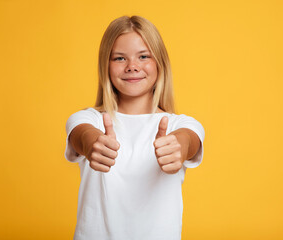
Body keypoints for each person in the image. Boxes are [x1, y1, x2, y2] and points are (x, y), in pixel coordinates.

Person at [64, 15, 205, 240]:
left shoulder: (181, 125)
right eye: (120, 58)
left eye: (143, 56)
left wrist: (178, 146)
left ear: (160, 63)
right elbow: (81, 135)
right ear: (106, 66)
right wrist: (93, 144)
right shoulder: (87, 120)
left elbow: (188, 140)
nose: (132, 67)